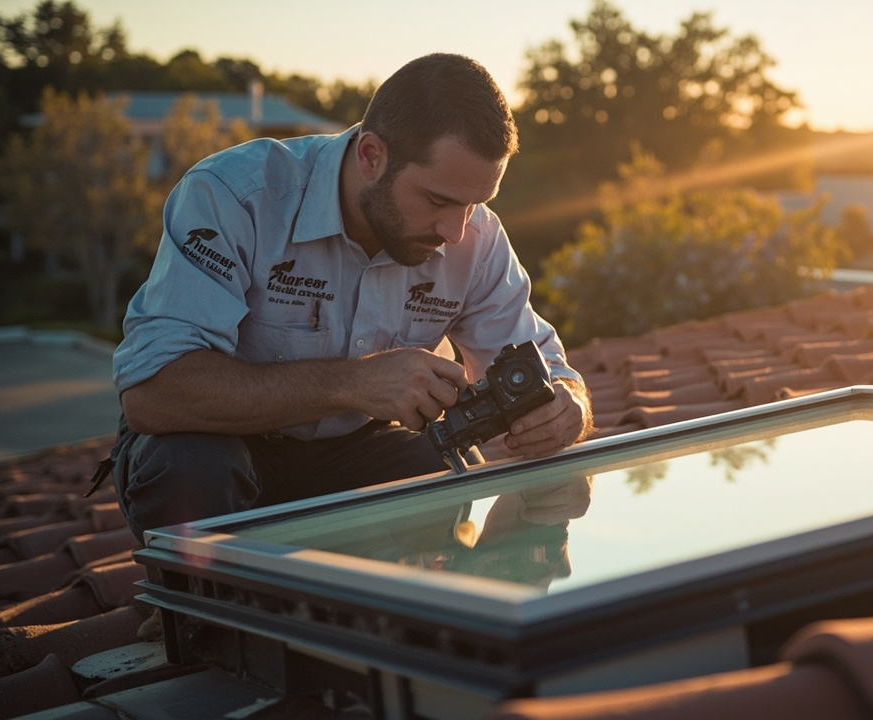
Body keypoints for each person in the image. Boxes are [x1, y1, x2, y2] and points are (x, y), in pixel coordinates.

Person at [106, 53, 592, 544]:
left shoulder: (477, 238)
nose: (455, 230)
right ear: (371, 156)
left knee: (440, 468)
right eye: (437, 201)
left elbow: (549, 370)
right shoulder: (234, 196)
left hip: (356, 449)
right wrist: (353, 383)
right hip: (222, 444)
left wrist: (567, 407)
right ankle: (196, 613)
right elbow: (153, 393)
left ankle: (397, 611)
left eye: (475, 205)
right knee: (190, 467)